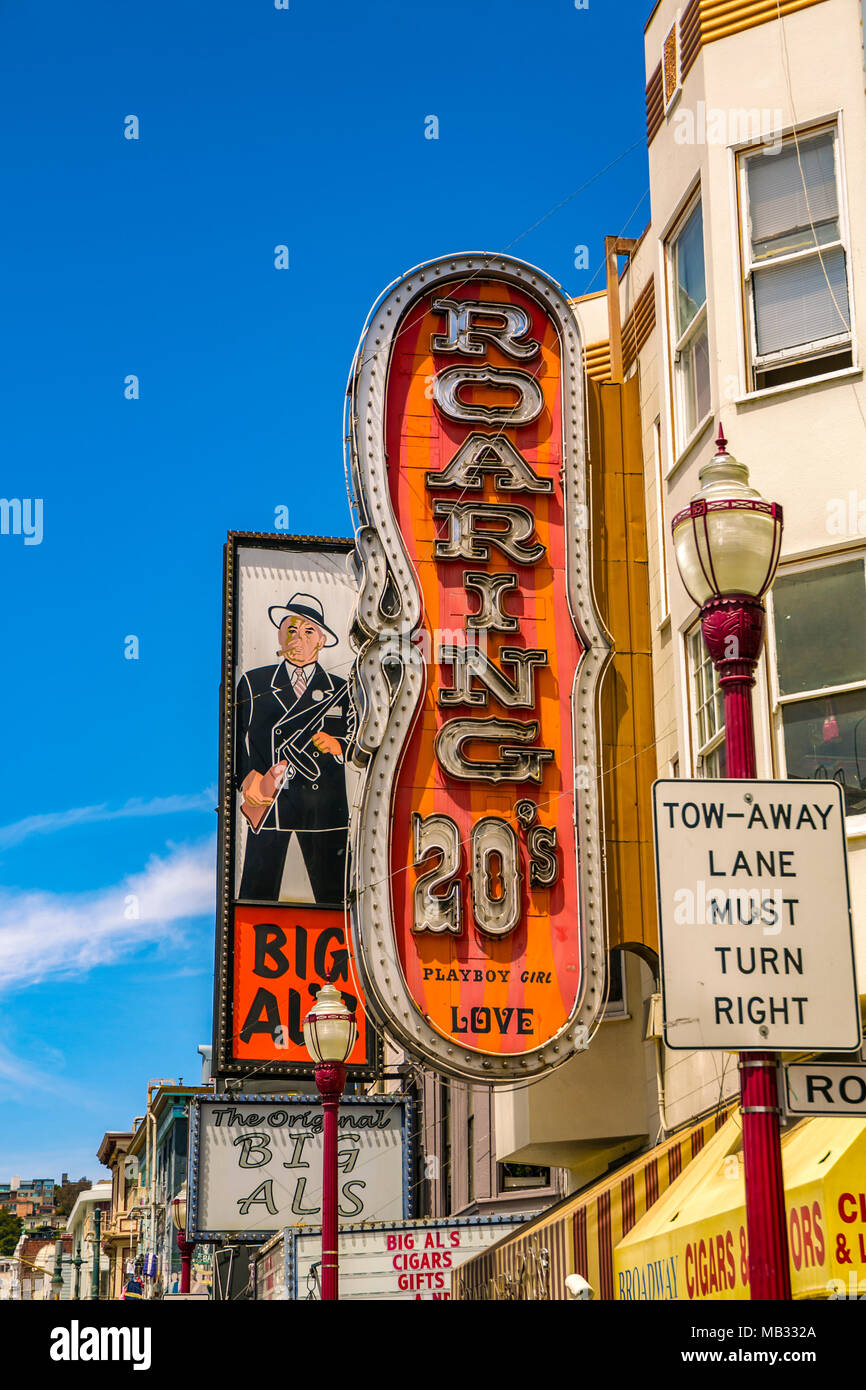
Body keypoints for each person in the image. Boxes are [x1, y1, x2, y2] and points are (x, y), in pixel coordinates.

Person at [235, 592, 354, 904]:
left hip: (325, 810)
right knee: (255, 902)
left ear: (323, 640)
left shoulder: (343, 689)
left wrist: (338, 745)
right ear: (279, 634)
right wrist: (248, 781)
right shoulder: (254, 683)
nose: (298, 638)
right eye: (291, 629)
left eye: (308, 631)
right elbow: (234, 742)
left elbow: (365, 741)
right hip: (271, 803)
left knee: (337, 905)